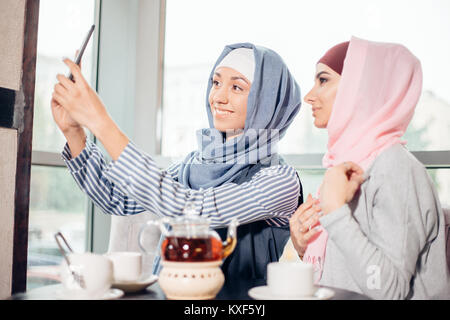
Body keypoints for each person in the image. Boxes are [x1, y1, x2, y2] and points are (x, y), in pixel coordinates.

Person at [51, 43, 303, 282]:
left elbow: (192, 212)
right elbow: (117, 198)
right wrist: (74, 132)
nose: (217, 97)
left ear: (268, 104)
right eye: (216, 82)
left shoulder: (279, 180)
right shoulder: (192, 164)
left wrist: (100, 122)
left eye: (237, 87)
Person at [286, 37, 450, 299]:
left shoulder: (396, 169)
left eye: (323, 80)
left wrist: (336, 213)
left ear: (359, 88)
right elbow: (350, 273)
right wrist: (303, 245)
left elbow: (389, 291)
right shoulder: (346, 164)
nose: (309, 96)